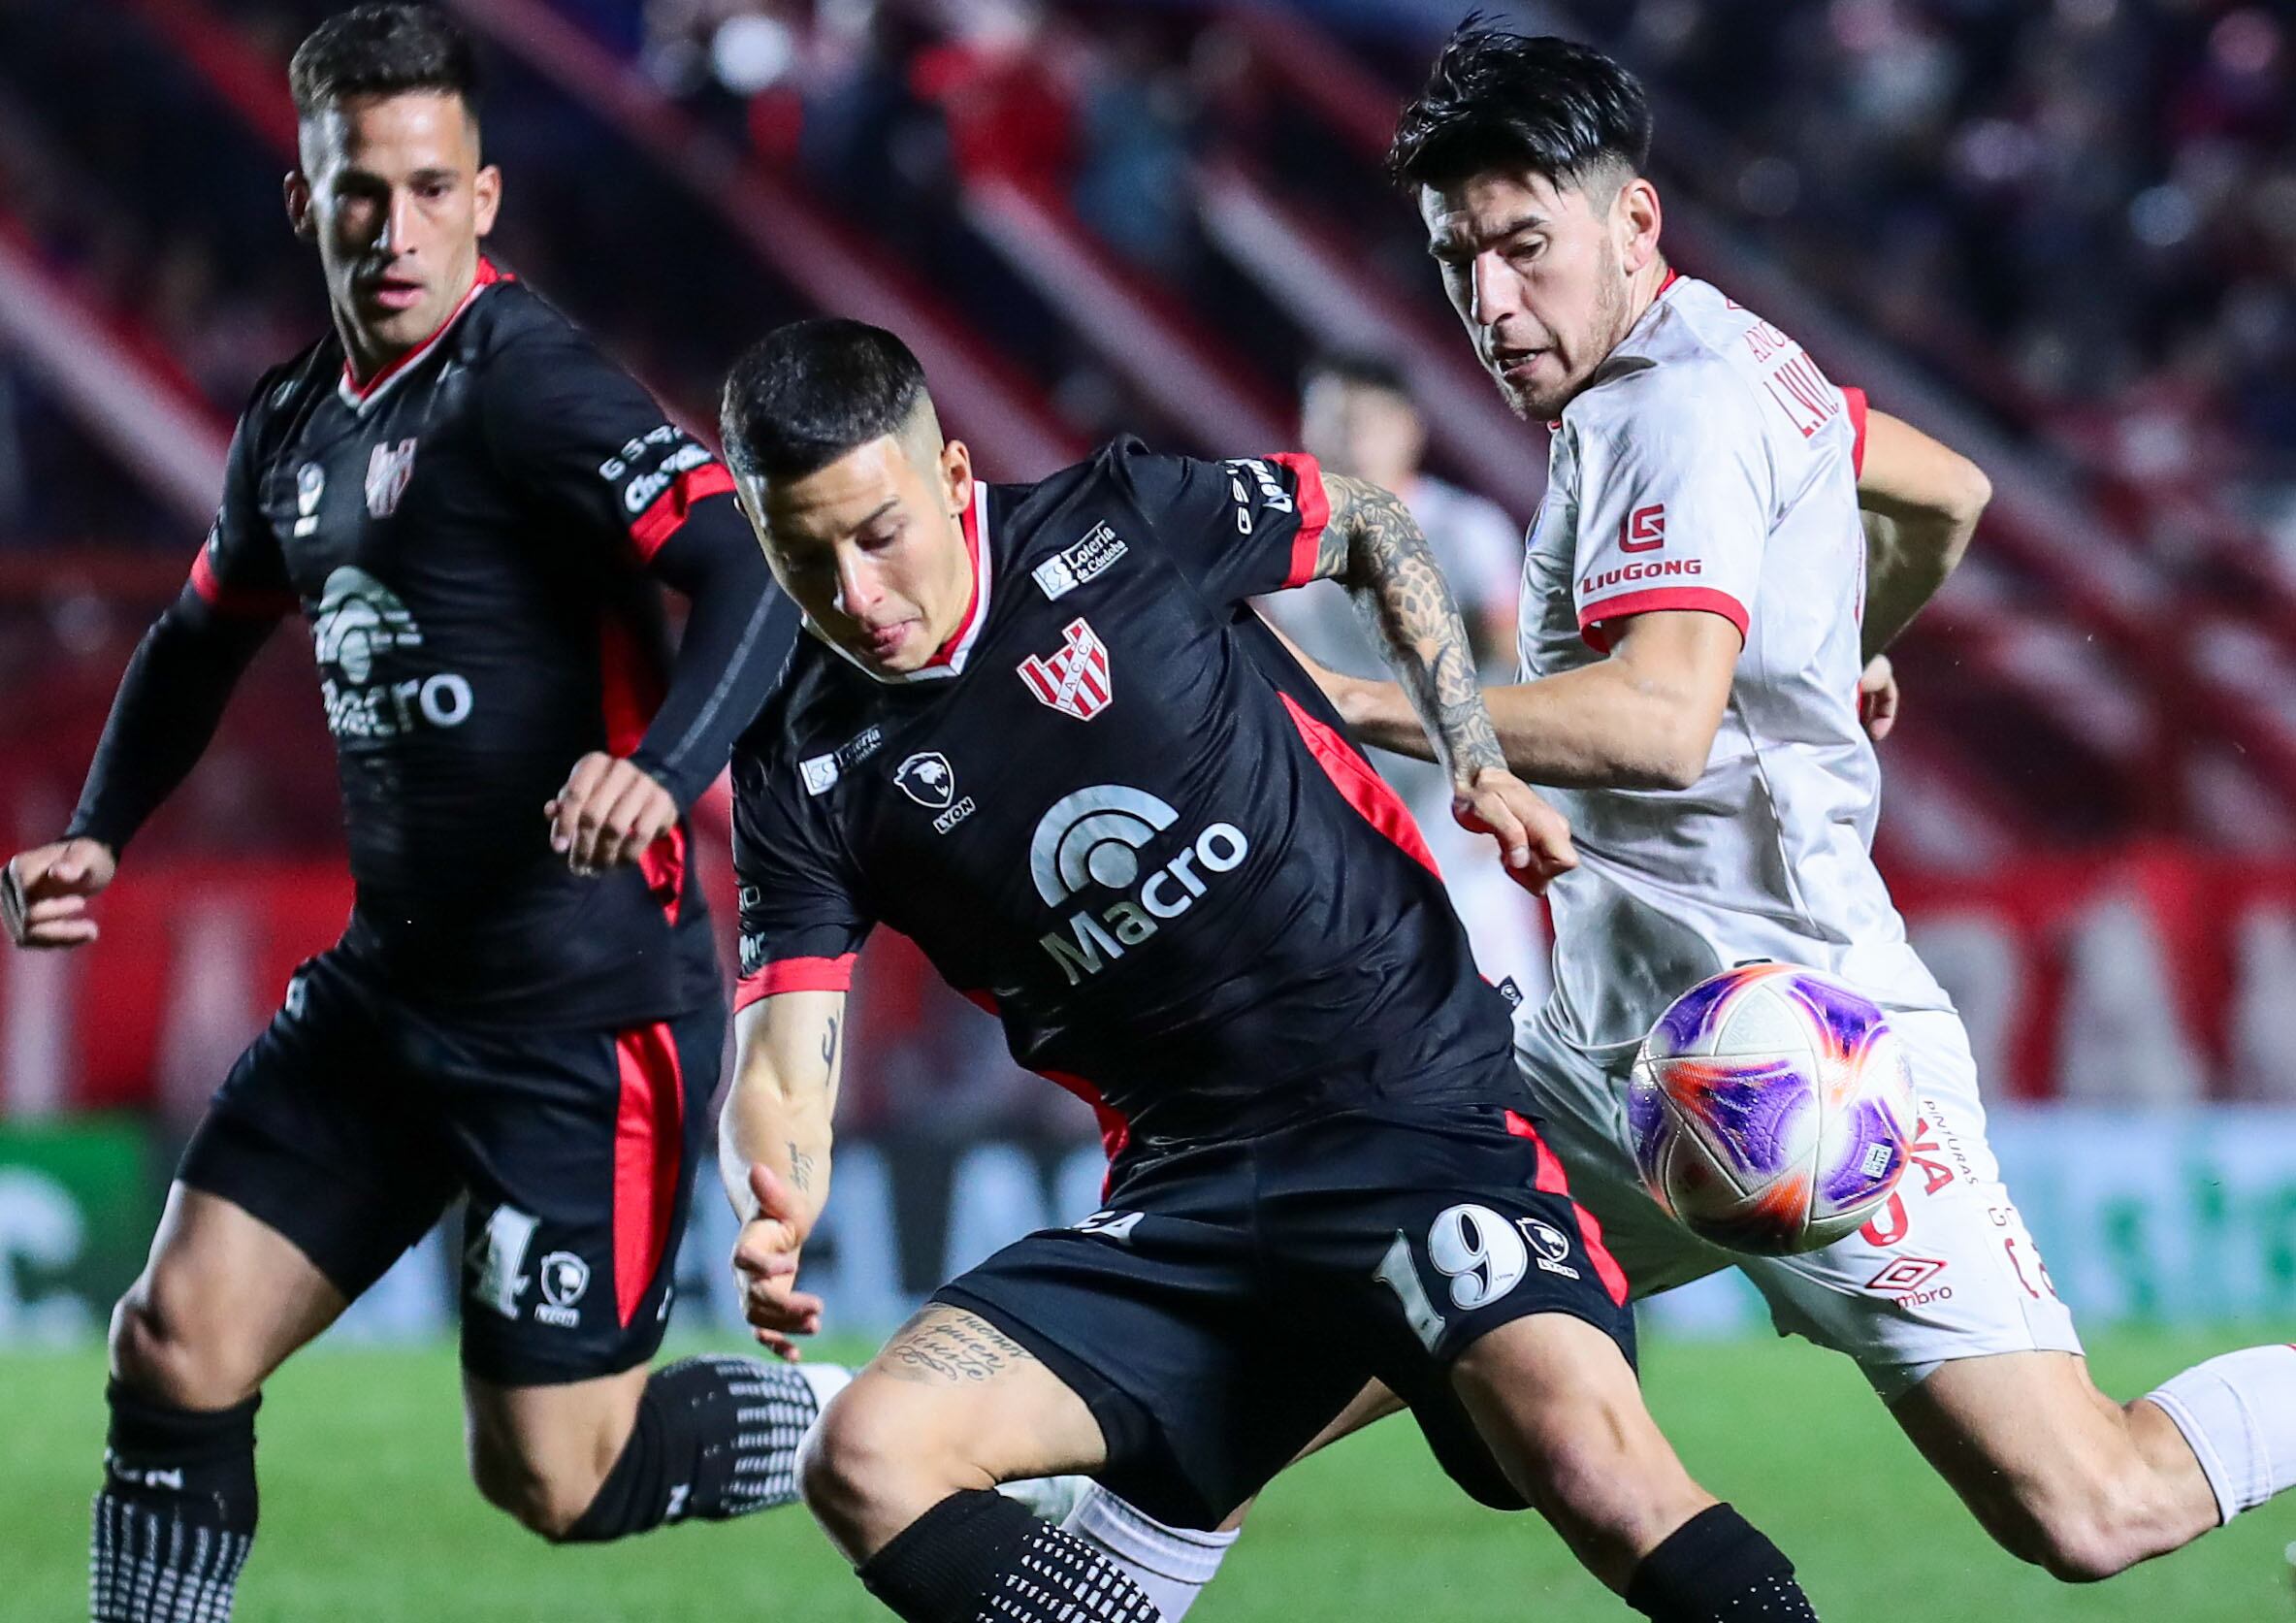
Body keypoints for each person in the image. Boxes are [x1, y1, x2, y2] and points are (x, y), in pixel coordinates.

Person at [1290, 22, 2296, 1589]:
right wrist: (1840, 643)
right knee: (1333, 1328)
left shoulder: (1661, 413)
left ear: (1633, 222)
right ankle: (1048, 1526)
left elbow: (1654, 721)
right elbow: (1940, 487)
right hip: (1614, 1058)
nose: (1489, 304)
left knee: (2092, 1506)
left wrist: (1358, 704)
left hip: (1791, 1061)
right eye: (1455, 258)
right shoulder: (1713, 353)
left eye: (1522, 247)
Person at [714, 314, 1830, 1623]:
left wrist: (1469, 746)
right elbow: (785, 1053)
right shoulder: (796, 760)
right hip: (1182, 1202)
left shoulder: (1119, 521)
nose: (855, 594)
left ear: (953, 478)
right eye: (801, 556)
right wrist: (772, 1194)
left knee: (1594, 1473)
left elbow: (1362, 517)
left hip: (1409, 1112)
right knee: (865, 1456)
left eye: (876, 533)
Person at [0, 9, 823, 1619]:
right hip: (388, 996)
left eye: (431, 187)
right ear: (304, 202)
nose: (396, 227)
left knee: (553, 1475)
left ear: (485, 198)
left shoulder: (537, 386)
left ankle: (881, 1418)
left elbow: (752, 571)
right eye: (361, 192)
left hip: (578, 1012)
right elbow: (194, 637)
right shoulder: (292, 425)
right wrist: (105, 822)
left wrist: (656, 767)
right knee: (174, 1338)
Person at [1263, 349, 1545, 992]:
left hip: (1456, 809)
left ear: (1407, 427)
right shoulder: (1283, 548)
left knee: (1506, 1010)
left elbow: (1515, 658)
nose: (1350, 438)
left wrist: (1500, 777)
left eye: (1365, 420)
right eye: (1332, 420)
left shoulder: (1461, 528)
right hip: (1348, 824)